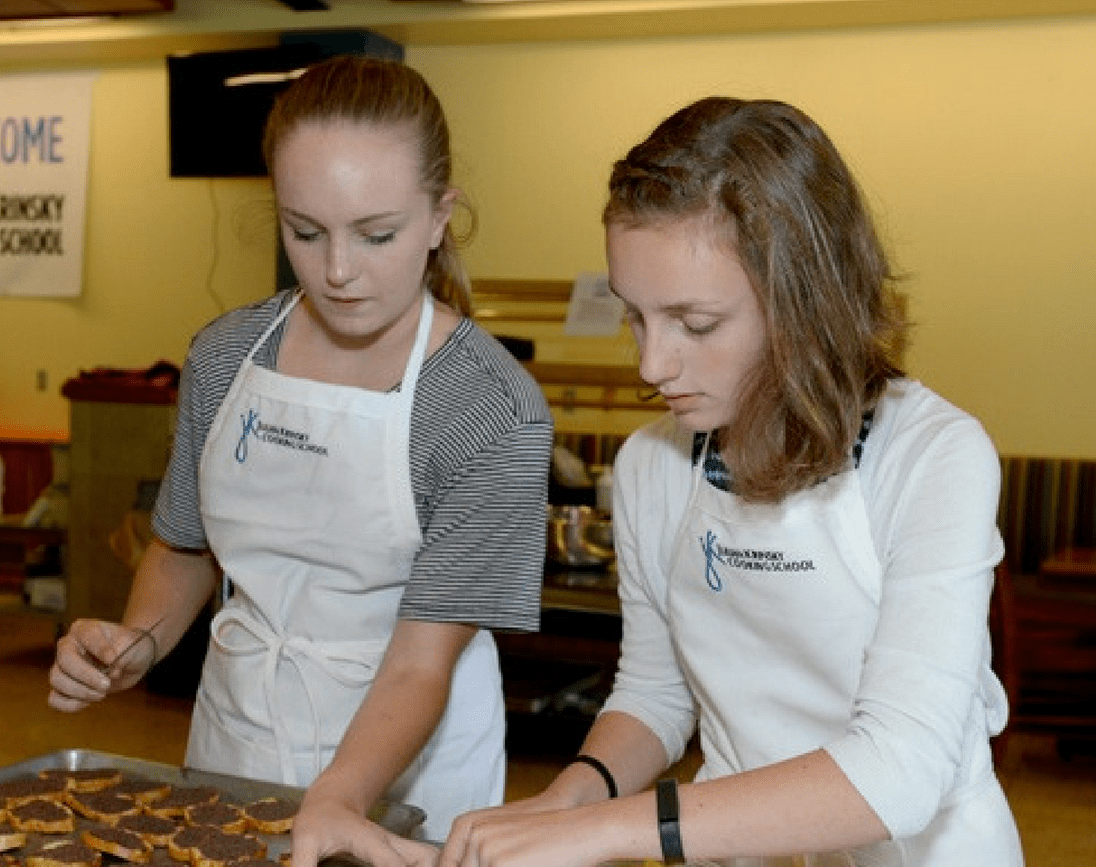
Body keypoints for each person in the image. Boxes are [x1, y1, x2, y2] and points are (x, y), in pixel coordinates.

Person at [436, 97, 1023, 866]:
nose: (652, 365)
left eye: (696, 323)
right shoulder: (655, 465)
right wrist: (565, 800)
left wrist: (606, 829)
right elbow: (657, 690)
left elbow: (899, 772)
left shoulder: (934, 456)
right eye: (636, 317)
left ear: (802, 301)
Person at [47, 55, 552, 864]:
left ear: (438, 216)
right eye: (305, 232)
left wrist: (337, 798)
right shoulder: (225, 357)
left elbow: (423, 660)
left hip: (407, 767)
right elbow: (185, 547)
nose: (338, 270)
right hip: (234, 737)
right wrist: (135, 642)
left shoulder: (488, 408)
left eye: (376, 234)